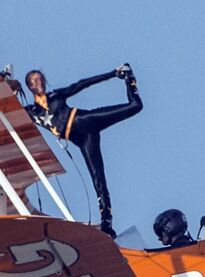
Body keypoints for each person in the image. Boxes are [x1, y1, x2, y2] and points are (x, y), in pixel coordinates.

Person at [21, 64, 142, 237]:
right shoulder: (31, 112)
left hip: (86, 121)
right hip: (84, 140)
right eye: (34, 81)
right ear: (30, 86)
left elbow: (83, 83)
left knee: (135, 106)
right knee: (98, 178)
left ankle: (129, 77)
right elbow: (6, 105)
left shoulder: (56, 96)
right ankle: (107, 223)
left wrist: (113, 73)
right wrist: (5, 80)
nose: (38, 82)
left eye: (40, 79)